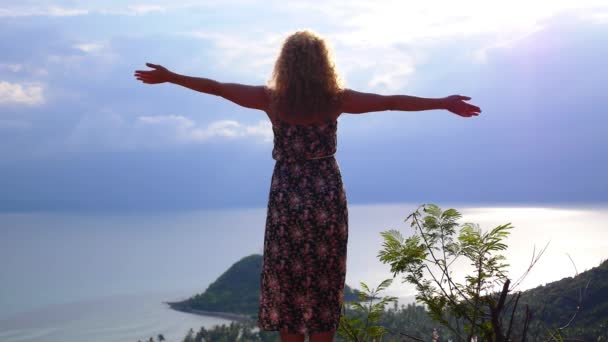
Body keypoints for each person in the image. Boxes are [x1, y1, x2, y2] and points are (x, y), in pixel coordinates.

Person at [134, 30, 481, 342]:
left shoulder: (271, 100)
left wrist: (171, 77)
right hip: (325, 193)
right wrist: (442, 103)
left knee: (287, 277)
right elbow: (391, 101)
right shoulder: (336, 100)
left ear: (285, 64)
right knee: (324, 277)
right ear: (323, 65)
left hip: (287, 194)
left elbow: (217, 88)